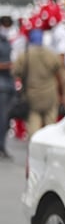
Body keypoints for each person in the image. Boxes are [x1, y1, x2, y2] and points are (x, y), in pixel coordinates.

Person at [12, 28, 65, 137]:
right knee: (50, 123)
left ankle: (35, 147)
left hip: (32, 95)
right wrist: (62, 94)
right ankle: (49, 146)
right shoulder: (51, 54)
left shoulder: (25, 55)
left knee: (33, 123)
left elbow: (16, 72)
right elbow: (59, 75)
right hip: (50, 94)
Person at [0, 16, 13, 158]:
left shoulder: (7, 42)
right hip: (2, 86)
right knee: (2, 118)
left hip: (7, 85)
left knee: (4, 118)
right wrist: (7, 65)